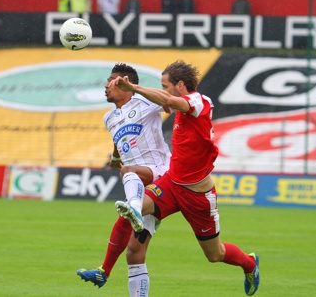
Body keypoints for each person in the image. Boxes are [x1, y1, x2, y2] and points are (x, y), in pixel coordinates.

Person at [109, 60, 260, 296]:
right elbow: (167, 100)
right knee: (132, 210)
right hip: (170, 185)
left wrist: (134, 89)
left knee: (215, 254)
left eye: (166, 85)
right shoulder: (180, 107)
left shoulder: (200, 101)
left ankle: (249, 264)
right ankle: (132, 218)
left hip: (198, 196)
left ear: (180, 85)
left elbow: (168, 100)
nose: (163, 90)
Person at [77, 63, 171, 296]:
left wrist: (135, 88)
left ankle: (134, 210)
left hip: (160, 173)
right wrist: (116, 156)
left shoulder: (145, 102)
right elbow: (121, 138)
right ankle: (104, 271)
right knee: (134, 254)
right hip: (140, 185)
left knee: (129, 173)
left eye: (110, 80)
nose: (105, 85)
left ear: (124, 82)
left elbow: (168, 100)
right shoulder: (109, 117)